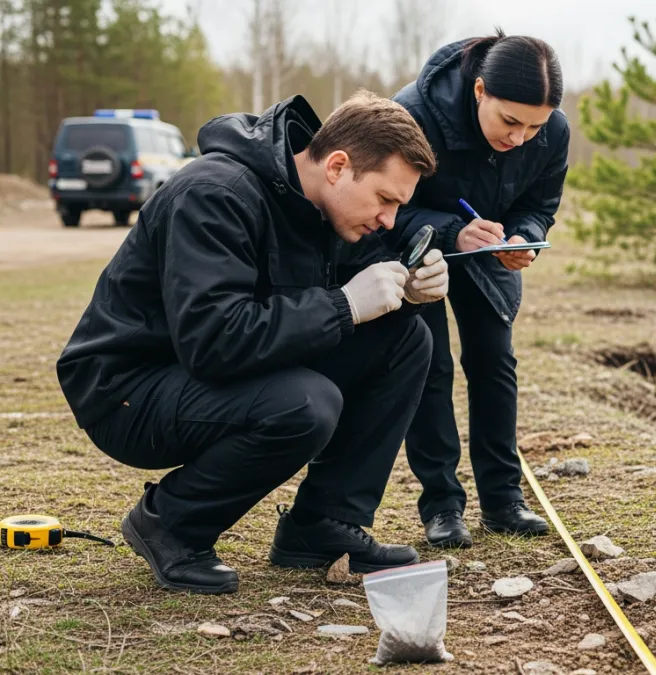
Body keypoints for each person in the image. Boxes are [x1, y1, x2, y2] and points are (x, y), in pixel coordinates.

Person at [55, 91, 449, 595]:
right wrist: (345, 304)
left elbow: (355, 303)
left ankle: (320, 524)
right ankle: (170, 523)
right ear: (337, 167)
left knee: (405, 338)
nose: (390, 220)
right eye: (386, 199)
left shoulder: (324, 210)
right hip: (125, 389)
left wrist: (409, 294)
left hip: (199, 374)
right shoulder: (215, 194)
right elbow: (213, 341)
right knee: (306, 404)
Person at [381, 31, 569, 548]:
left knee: (493, 360)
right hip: (419, 250)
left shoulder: (552, 132)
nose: (520, 138)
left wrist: (525, 237)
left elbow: (539, 204)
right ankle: (441, 505)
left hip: (490, 254)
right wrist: (450, 231)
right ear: (481, 90)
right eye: (510, 121)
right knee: (431, 367)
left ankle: (504, 499)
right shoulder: (411, 114)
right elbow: (384, 207)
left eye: (535, 126)